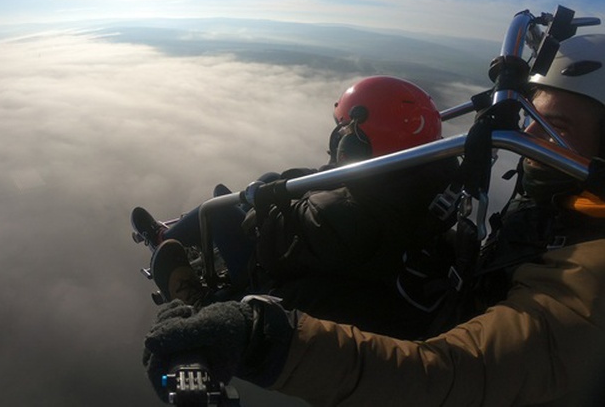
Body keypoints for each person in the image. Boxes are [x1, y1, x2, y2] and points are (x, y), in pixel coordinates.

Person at [142, 34, 605, 406]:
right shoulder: (564, 212)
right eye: (531, 117)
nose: (528, 136)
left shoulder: (589, 277)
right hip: (436, 299)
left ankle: (201, 297)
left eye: (557, 127)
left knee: (272, 272)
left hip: (430, 340)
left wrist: (261, 340)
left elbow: (451, 377)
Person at [139, 76, 452, 310]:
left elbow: (278, 246)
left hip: (274, 272)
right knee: (269, 180)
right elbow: (331, 185)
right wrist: (280, 185)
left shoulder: (345, 212)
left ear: (359, 144)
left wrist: (258, 210)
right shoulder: (414, 180)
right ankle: (190, 230)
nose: (340, 137)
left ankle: (182, 270)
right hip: (353, 253)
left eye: (346, 130)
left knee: (218, 209)